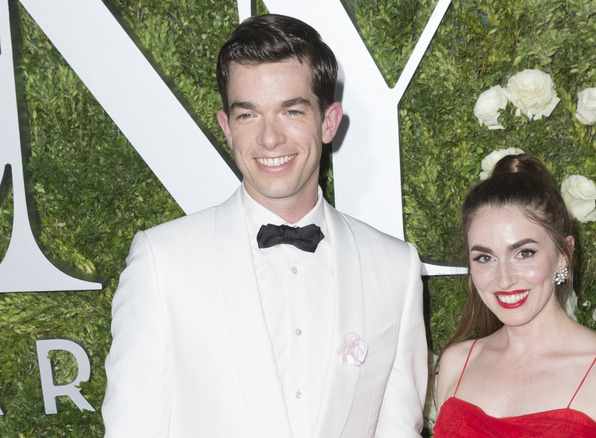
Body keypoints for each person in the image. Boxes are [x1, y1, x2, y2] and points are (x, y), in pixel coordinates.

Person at [102, 14, 427, 437]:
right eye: (248, 115)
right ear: (226, 128)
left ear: (328, 122)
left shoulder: (395, 268)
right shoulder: (162, 262)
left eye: (291, 111)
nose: (270, 138)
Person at [433, 154, 596, 437]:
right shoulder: (457, 363)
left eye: (524, 253)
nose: (504, 279)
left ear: (563, 255)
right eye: (485, 258)